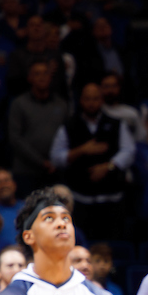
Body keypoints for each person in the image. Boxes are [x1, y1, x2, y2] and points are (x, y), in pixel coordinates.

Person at [50, 83, 134, 241]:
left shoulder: (116, 124)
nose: (91, 103)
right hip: (81, 199)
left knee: (112, 246)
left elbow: (128, 151)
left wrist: (108, 166)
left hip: (112, 199)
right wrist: (81, 150)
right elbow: (56, 157)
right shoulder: (69, 126)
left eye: (95, 98)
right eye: (87, 98)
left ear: (101, 100)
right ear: (81, 100)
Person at [8, 62, 68, 194]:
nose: (42, 77)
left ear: (50, 77)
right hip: (26, 171)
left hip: (55, 171)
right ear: (29, 78)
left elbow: (67, 135)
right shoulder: (19, 104)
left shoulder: (61, 104)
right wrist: (41, 162)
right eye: (37, 74)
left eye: (45, 73)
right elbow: (15, 138)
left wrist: (56, 161)